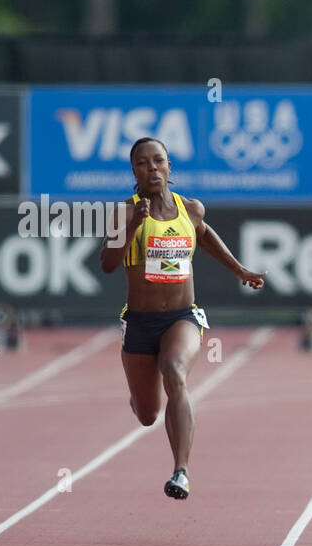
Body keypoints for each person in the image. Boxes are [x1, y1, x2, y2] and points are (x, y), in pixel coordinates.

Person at [100, 137, 266, 499]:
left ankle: (181, 472)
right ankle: (139, 396)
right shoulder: (124, 213)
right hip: (140, 323)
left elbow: (204, 237)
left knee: (175, 372)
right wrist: (133, 226)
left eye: (158, 161)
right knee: (147, 414)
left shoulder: (190, 209)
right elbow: (108, 264)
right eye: (142, 163)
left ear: (169, 166)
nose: (152, 168)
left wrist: (239, 270)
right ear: (134, 171)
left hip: (182, 317)